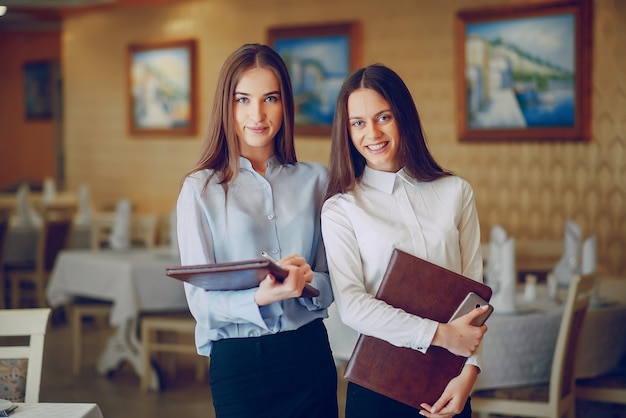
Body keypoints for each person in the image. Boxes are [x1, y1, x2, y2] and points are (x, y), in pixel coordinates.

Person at [176, 43, 338, 418]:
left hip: (309, 354)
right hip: (240, 365)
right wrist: (260, 298)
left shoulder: (317, 180)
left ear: (286, 105)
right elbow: (201, 305)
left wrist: (310, 281)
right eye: (243, 99)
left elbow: (335, 280)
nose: (257, 114)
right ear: (226, 106)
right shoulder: (200, 190)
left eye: (270, 98)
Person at [321, 63, 488, 418]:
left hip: (449, 385)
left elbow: (475, 299)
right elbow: (352, 306)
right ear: (346, 130)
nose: (372, 133)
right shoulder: (341, 208)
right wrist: (440, 334)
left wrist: (469, 373)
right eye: (358, 123)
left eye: (384, 117)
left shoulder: (456, 192)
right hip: (377, 388)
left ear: (404, 117)